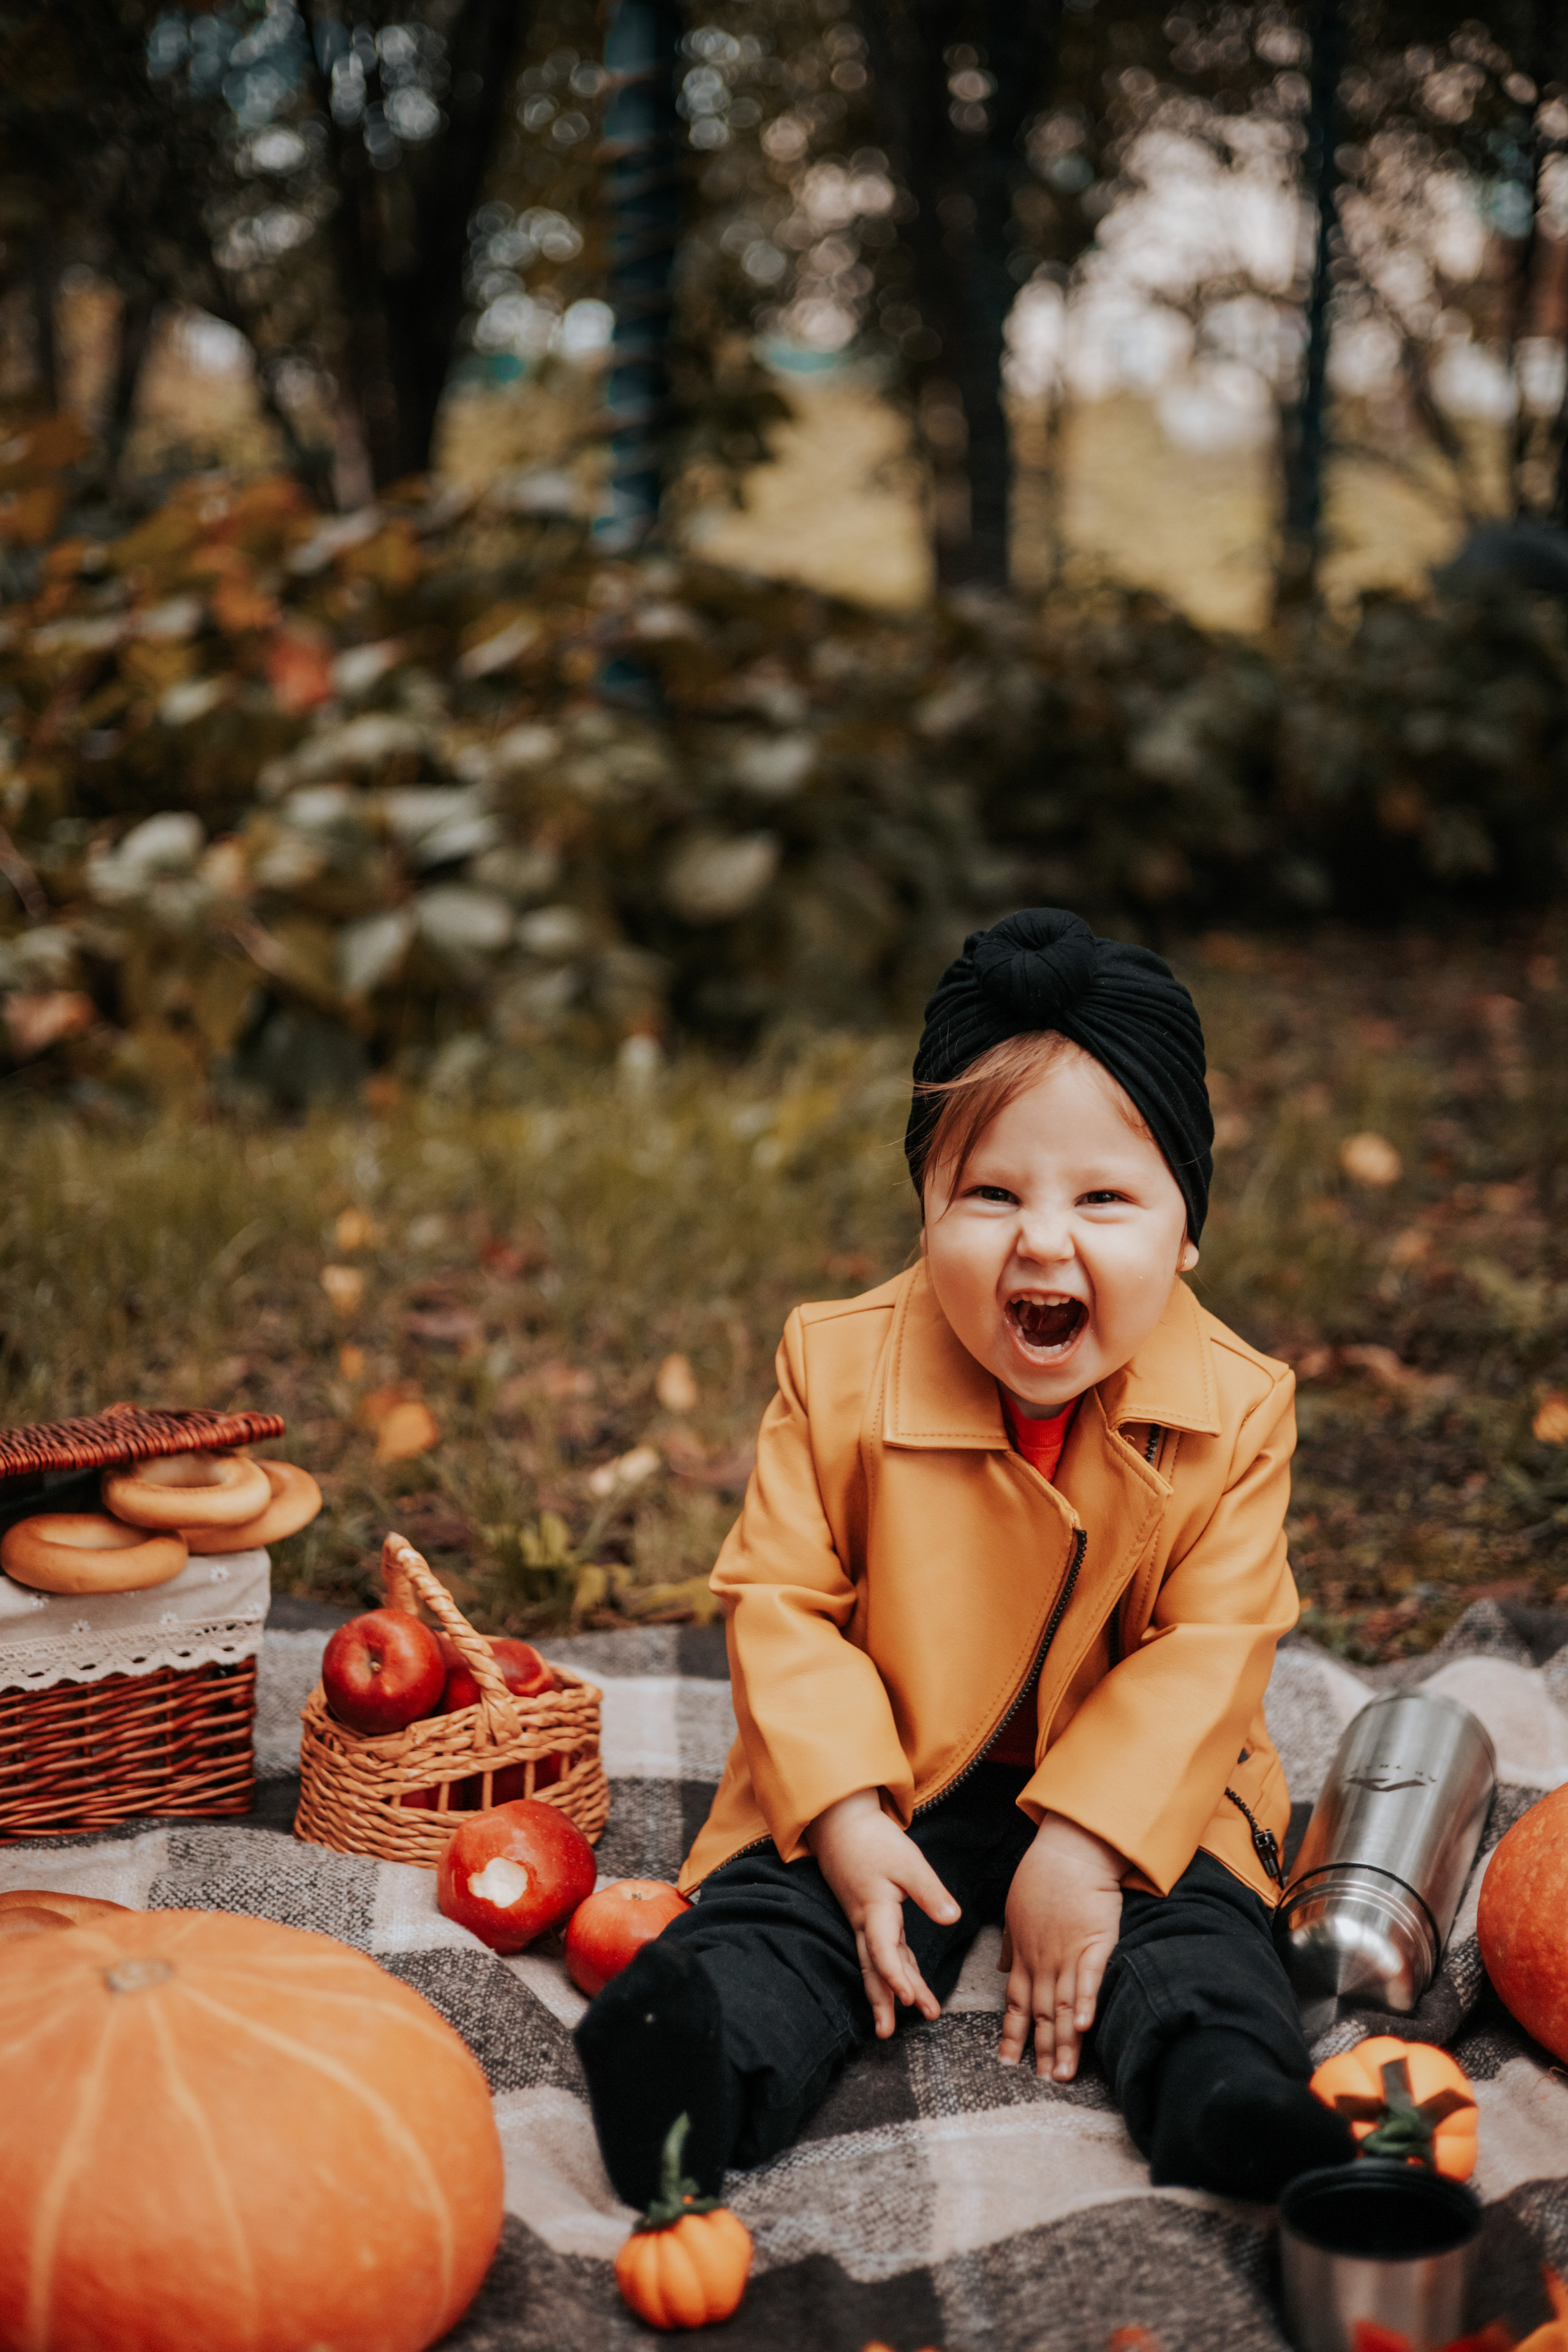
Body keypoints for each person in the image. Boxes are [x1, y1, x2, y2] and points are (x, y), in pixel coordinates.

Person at [576, 907, 1352, 2207]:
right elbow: (781, 1604)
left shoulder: (1238, 1403)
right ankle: (690, 2067)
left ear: (1184, 1230)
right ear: (926, 1211)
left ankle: (1224, 2089)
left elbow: (1212, 1647)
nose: (1041, 1240)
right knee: (802, 1916)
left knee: (1193, 1930)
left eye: (1103, 1198)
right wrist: (843, 1813)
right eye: (989, 1194)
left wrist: (1087, 1843)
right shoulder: (835, 1367)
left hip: (1131, 1775)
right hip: (897, 1761)